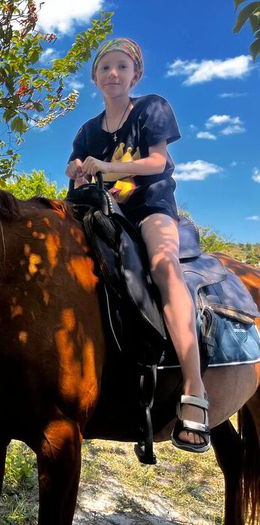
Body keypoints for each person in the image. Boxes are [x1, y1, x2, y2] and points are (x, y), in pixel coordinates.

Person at [66, 38, 210, 453]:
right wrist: (77, 170)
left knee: (165, 268)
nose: (113, 74)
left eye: (121, 68)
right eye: (105, 68)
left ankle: (194, 386)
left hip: (150, 206)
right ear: (95, 78)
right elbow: (77, 173)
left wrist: (108, 166)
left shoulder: (151, 108)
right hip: (104, 212)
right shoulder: (87, 131)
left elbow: (158, 162)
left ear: (135, 75)